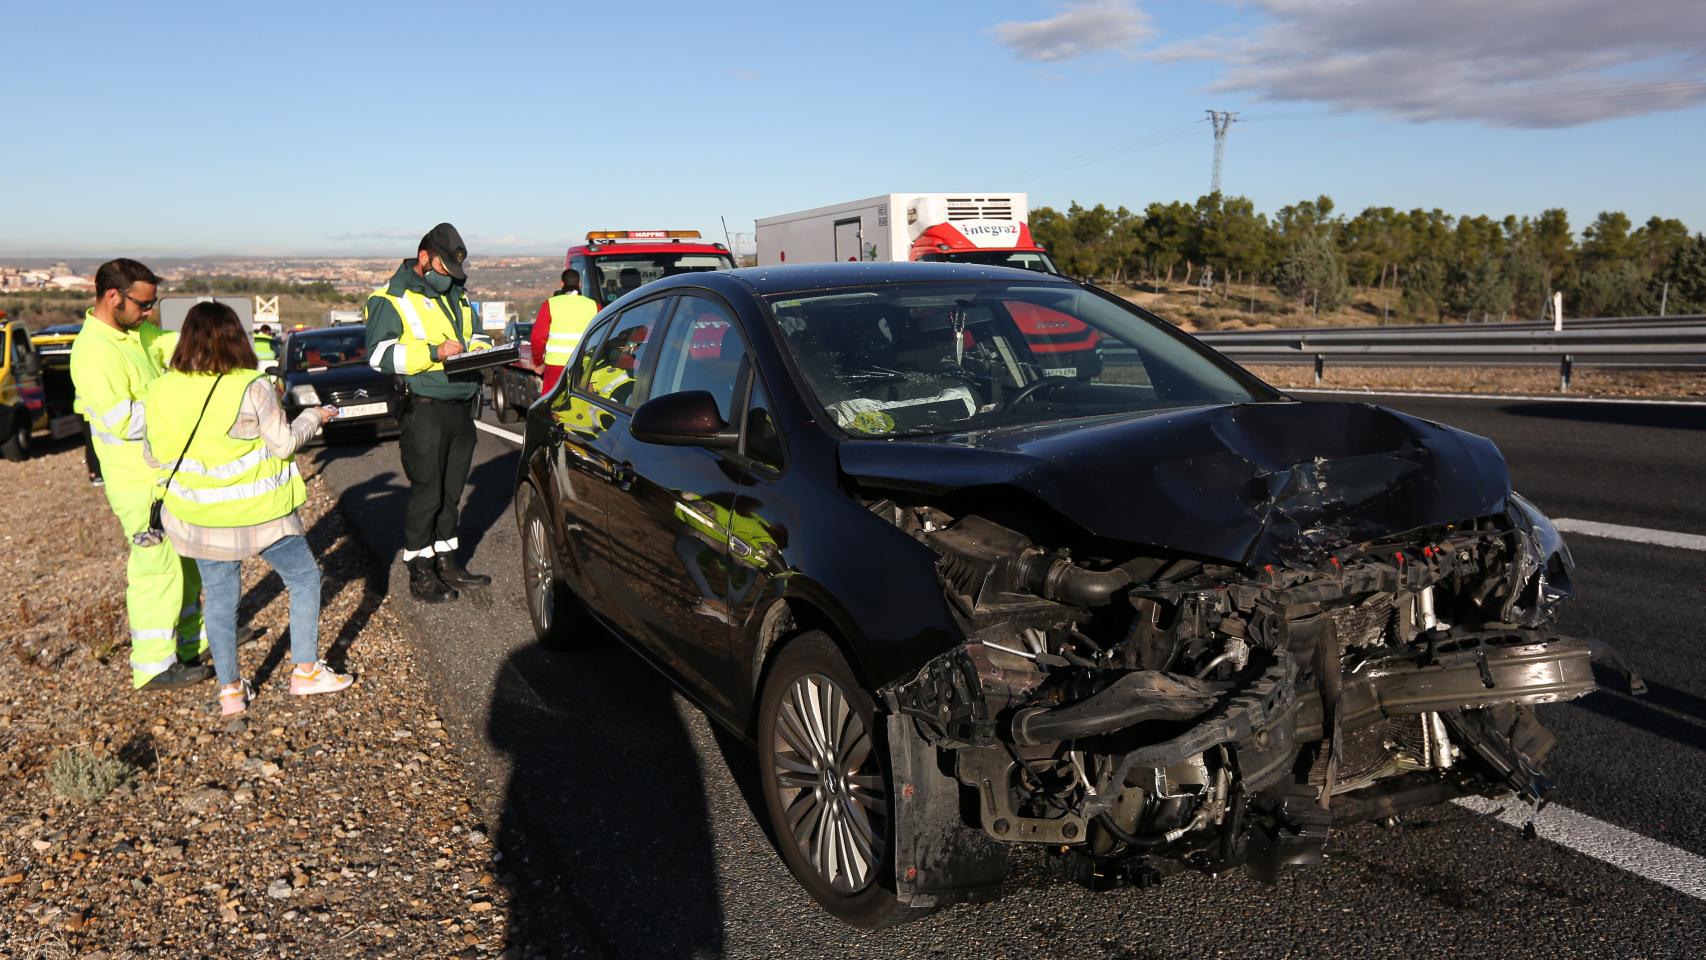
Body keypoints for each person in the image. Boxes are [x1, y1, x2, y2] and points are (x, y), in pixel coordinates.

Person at [142, 302, 353, 716]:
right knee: (305, 578)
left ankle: (231, 692)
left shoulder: (161, 388)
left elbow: (153, 456)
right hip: (262, 515)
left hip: (200, 519)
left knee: (220, 601)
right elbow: (284, 443)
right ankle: (306, 671)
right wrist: (314, 415)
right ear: (236, 337)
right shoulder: (251, 386)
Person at [69, 259, 209, 690]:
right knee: (156, 568)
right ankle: (152, 665)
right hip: (135, 483)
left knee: (184, 561)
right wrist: (176, 405)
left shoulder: (133, 334)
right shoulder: (94, 352)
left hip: (160, 475)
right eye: (144, 305)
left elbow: (172, 344)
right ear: (114, 297)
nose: (150, 313)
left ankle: (192, 644)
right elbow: (123, 421)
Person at [362, 222, 494, 602]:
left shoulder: (459, 296)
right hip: (424, 408)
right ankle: (420, 572)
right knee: (428, 492)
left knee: (451, 492)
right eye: (443, 270)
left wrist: (482, 350)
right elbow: (379, 355)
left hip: (460, 404)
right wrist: (434, 353)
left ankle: (447, 561)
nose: (448, 278)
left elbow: (477, 335)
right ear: (424, 258)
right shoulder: (390, 298)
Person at [530, 268, 598, 394]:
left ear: (562, 284)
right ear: (579, 284)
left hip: (555, 365)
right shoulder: (593, 305)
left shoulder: (550, 304)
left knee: (553, 405)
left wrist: (538, 362)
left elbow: (537, 337)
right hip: (584, 365)